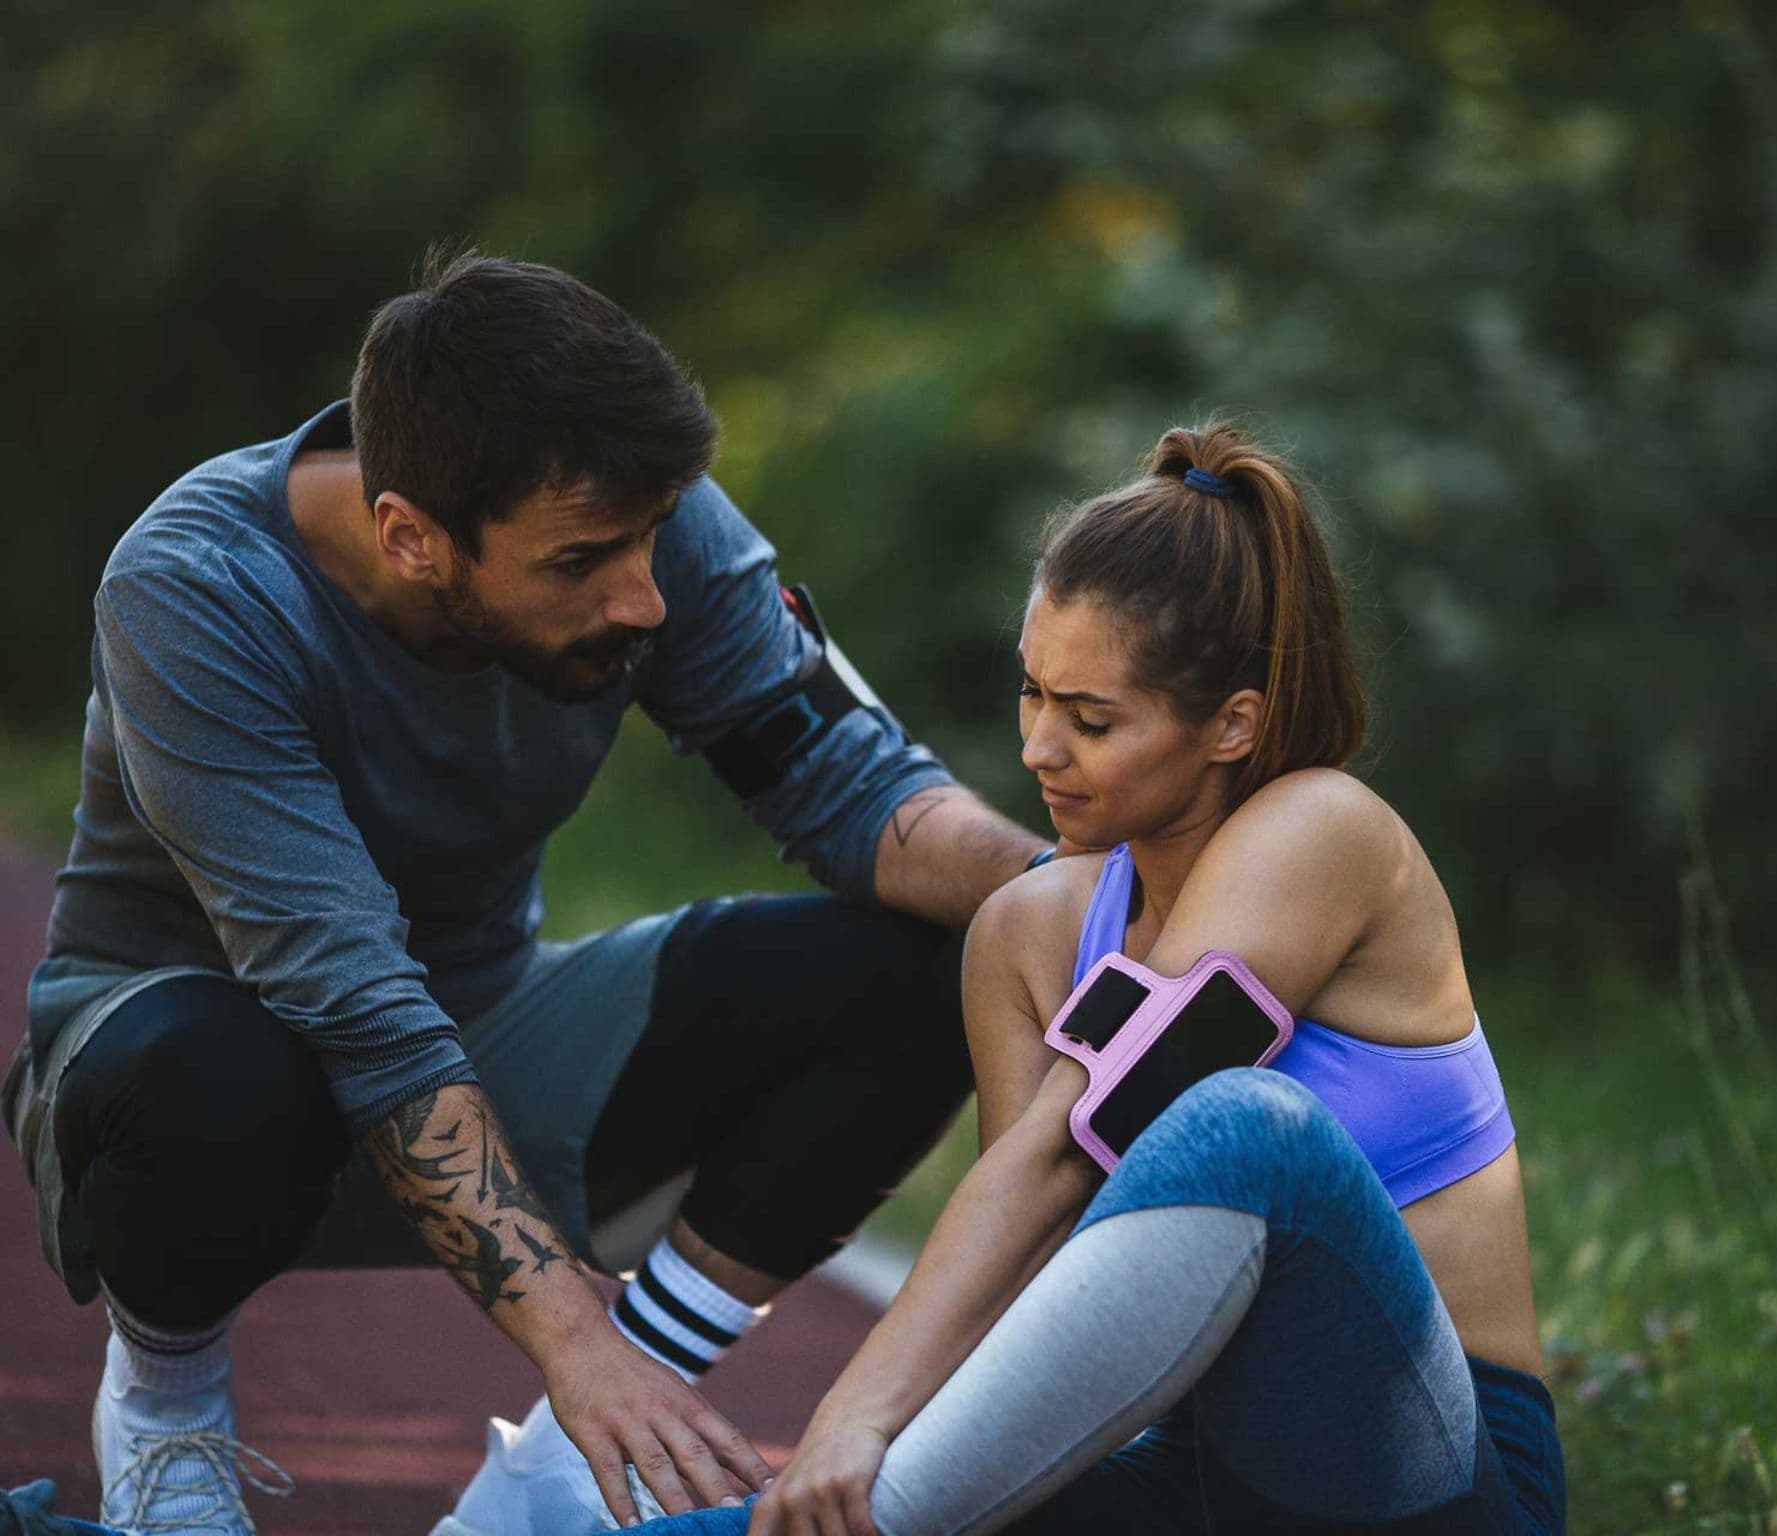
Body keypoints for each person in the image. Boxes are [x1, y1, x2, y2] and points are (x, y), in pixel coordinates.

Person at [1, 251, 1053, 1535]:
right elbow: (352, 1003)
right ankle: (164, 1408)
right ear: (411, 537)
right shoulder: (195, 588)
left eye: (650, 538)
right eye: (581, 563)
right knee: (215, 1068)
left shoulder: (632, 509)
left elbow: (850, 780)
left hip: (489, 1020)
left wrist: (1083, 899)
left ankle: (564, 1470)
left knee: (941, 956)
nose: (643, 596)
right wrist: (573, 1342)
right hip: (189, 1080)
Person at [650, 422, 1567, 1534]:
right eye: (1032, 694)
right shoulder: (1028, 931)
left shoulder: (1325, 831)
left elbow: (1082, 1136)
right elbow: (1029, 1283)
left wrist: (853, 1414)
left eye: (1091, 719)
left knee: (1246, 1127)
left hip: (1424, 1478)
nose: (1038, 748)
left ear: (1232, 726)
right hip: (1189, 1478)